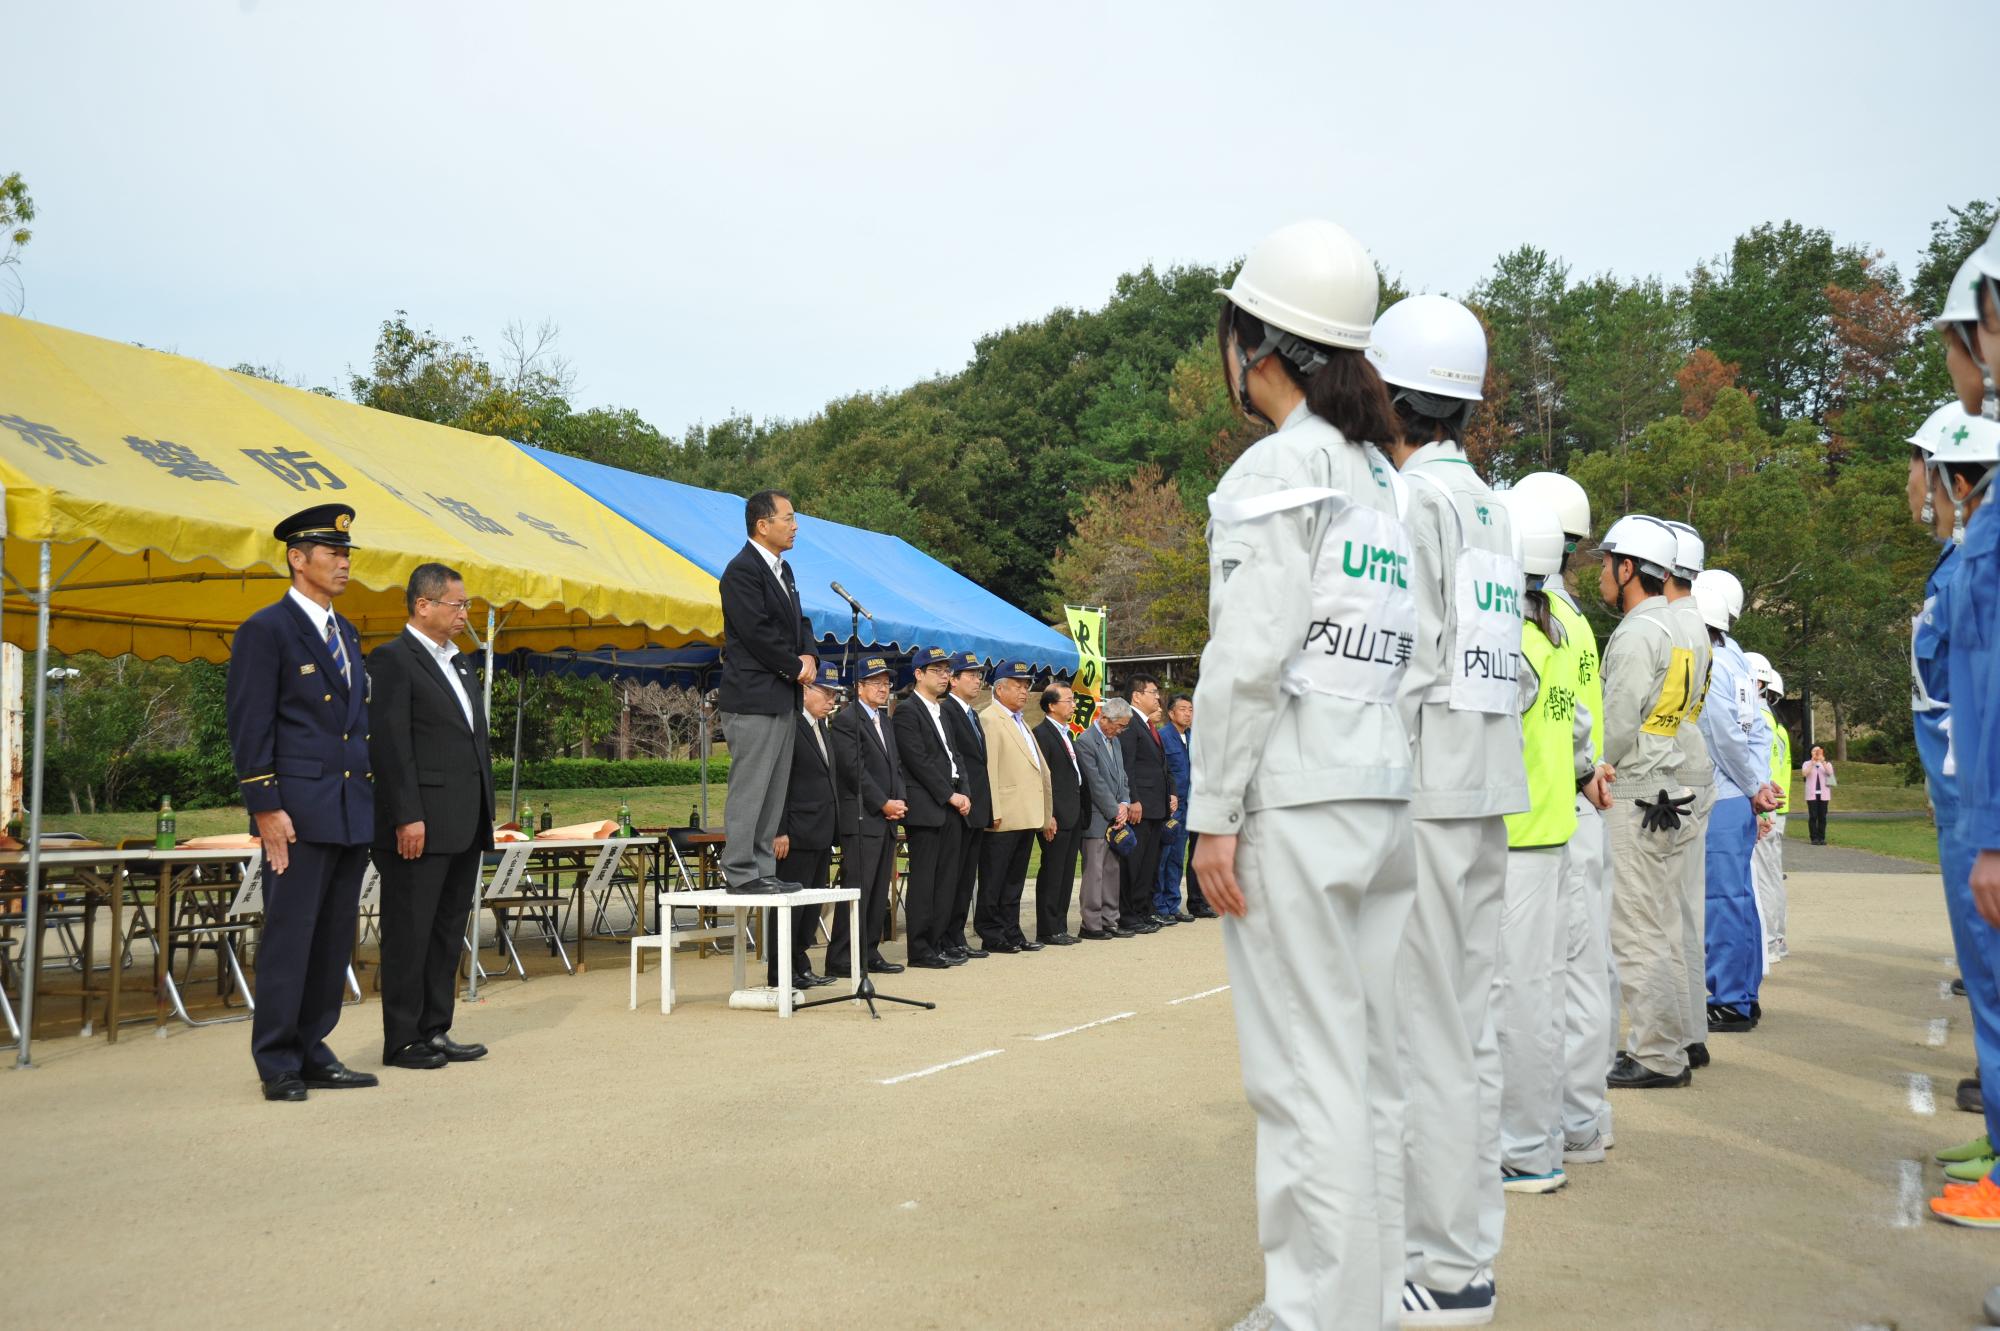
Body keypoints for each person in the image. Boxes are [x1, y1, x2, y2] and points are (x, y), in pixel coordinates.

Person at [1188, 219, 1423, 1329]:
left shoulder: (1278, 470)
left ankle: (1312, 1312)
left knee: (1297, 1074)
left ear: (1259, 344)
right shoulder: (1380, 481)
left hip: (1297, 798)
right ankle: (1365, 1300)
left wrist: (1211, 811)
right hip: (1380, 796)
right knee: (1368, 1068)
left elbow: (1243, 656)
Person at [1373, 293, 1527, 1303]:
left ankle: (1438, 1266)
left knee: (1412, 1037)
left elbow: (1397, 659)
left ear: (1388, 396)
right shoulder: (1491, 507)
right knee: (1463, 1031)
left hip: (1421, 788)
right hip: (1480, 785)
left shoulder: (1406, 504)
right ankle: (1461, 1252)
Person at [225, 503, 379, 1102]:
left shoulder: (347, 633)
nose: (343, 563)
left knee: (334, 936)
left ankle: (314, 1045)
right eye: (333, 553)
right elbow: (250, 724)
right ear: (297, 558)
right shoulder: (266, 630)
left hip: (347, 809)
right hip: (295, 812)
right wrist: (265, 807)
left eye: (346, 554)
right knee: (292, 934)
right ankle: (278, 1059)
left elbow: (354, 725)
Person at [1491, 496, 1601, 1196]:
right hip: (1554, 832)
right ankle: (1551, 1132)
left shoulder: (1510, 641)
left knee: (1516, 998)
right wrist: (1588, 771)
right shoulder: (1556, 629)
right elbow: (1581, 727)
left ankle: (1526, 1149)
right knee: (1547, 992)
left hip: (1516, 839)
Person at [1511, 471, 1617, 1163]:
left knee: (1536, 986)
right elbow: (1577, 719)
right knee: (1577, 975)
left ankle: (1547, 1130)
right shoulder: (1568, 617)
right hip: (1575, 806)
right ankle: (1578, 1120)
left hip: (1538, 817)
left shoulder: (1528, 622)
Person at [365, 562, 493, 1071]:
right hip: (419, 822)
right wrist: (406, 815)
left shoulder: (459, 662)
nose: (465, 613)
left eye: (466, 605)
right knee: (410, 932)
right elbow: (392, 745)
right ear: (424, 605)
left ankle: (435, 1029)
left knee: (446, 932)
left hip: (462, 817)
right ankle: (402, 1039)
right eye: (457, 604)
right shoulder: (394, 659)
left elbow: (469, 739)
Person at [1596, 514, 1701, 1091]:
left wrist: (1587, 769)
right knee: (1660, 924)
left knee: (1636, 929)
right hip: (1670, 787)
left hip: (1636, 789)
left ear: (1628, 567)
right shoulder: (1687, 627)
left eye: (1607, 563)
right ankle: (1673, 1042)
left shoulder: (1638, 632)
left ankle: (1656, 1054)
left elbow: (1617, 719)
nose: (1602, 575)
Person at [1691, 569, 1780, 1034]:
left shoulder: (1708, 659)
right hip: (1740, 796)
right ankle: (1744, 993)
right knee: (1740, 898)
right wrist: (1759, 783)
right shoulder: (1741, 660)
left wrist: (1750, 786)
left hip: (1723, 793)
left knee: (1723, 899)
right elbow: (1759, 729)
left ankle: (1728, 999)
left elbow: (1719, 734)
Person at [717, 490, 818, 894]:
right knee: (752, 786)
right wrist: (795, 667)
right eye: (789, 518)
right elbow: (756, 632)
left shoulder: (784, 570)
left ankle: (761, 870)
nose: (795, 526)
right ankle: (740, 871)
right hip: (753, 698)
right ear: (763, 524)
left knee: (774, 789)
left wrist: (809, 654)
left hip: (782, 697)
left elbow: (799, 622)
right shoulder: (742, 571)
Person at [1657, 521, 1718, 1069]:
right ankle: (1691, 1026)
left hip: (1673, 763)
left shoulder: (1670, 623)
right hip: (1693, 759)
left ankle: (1678, 1031)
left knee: (1668, 910)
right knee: (1685, 908)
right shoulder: (1696, 621)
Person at [826, 655, 906, 977]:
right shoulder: (847, 720)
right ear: (859, 686)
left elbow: (894, 766)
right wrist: (882, 802)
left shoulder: (885, 720)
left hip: (886, 819)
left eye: (886, 683)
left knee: (877, 893)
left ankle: (869, 951)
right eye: (876, 683)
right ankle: (843, 957)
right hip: (862, 818)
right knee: (857, 890)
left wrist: (899, 799)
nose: (883, 689)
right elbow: (853, 771)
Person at [892, 647, 971, 970]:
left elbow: (956, 756)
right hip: (927, 805)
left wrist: (963, 791)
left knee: (947, 879)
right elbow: (917, 761)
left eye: (945, 670)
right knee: (925, 880)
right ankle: (920, 947)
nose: (943, 676)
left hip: (952, 803)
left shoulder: (943, 711)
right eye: (935, 670)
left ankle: (938, 941)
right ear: (918, 674)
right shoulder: (909, 711)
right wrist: (948, 795)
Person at [767, 663, 845, 990]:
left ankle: (801, 964)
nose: (831, 700)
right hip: (795, 831)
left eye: (835, 694)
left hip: (820, 831)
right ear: (805, 690)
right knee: (790, 905)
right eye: (826, 692)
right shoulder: (790, 725)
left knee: (811, 905)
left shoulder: (822, 728)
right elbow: (778, 779)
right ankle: (780, 970)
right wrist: (779, 828)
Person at [976, 661, 1056, 952]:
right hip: (1005, 814)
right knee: (995, 878)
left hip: (1026, 812)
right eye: (1019, 685)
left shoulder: (1019, 719)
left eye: (1027, 685)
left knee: (1014, 880)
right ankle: (992, 932)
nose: (1025, 691)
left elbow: (1038, 768)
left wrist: (1046, 812)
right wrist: (993, 810)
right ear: (1000, 688)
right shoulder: (990, 718)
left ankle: (1012, 931)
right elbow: (990, 769)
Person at [942, 651, 997, 958]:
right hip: (959, 806)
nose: (978, 680)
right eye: (971, 675)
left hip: (977, 806)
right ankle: (948, 936)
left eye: (980, 675)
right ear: (953, 679)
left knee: (966, 878)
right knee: (954, 876)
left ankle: (958, 935)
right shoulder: (947, 710)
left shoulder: (972, 713)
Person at [1031, 682, 1089, 945]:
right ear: (1052, 705)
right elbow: (1042, 779)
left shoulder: (1067, 733)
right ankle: (1047, 928)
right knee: (1053, 872)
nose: (1073, 704)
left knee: (1066, 873)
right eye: (1068, 700)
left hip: (1074, 813)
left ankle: (1060, 925)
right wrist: (1048, 815)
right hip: (1056, 815)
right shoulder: (1042, 734)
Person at [1743, 651, 1791, 967]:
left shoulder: (1760, 719)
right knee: (1769, 875)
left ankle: (1771, 939)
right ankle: (1776, 937)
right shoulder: (1775, 722)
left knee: (1764, 877)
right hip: (1774, 808)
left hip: (1766, 807)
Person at [1073, 697, 1133, 942]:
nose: (1122, 731)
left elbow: (1122, 777)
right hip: (1097, 818)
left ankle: (1110, 919)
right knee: (1094, 872)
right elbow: (1095, 783)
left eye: (1125, 726)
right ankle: (1091, 923)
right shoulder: (1086, 741)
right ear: (1104, 718)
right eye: (1120, 725)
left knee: (1111, 871)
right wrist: (1114, 809)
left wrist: (1125, 804)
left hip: (1115, 816)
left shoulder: (1115, 742)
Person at [1117, 674, 1172, 932]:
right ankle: (1129, 914)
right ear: (1137, 696)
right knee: (1134, 863)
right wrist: (1133, 800)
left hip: (1156, 806)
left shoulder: (1150, 726)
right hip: (1140, 807)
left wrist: (1169, 793)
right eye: (1152, 692)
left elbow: (1160, 766)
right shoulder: (1130, 725)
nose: (1157, 697)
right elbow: (1127, 767)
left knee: (1150, 863)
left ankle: (1144, 909)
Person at [1154, 694, 1199, 922]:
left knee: (1177, 857)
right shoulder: (1163, 736)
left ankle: (1173, 904)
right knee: (1164, 855)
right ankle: (1159, 905)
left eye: (1190, 709)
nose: (1188, 713)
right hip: (1171, 806)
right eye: (1183, 709)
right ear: (1171, 713)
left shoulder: (1192, 737)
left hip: (1189, 805)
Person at [1801, 747, 1835, 845]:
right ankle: (1814, 838)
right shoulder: (1806, 764)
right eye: (1814, 751)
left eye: (1818, 751)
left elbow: (1830, 773)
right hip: (1811, 794)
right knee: (1813, 816)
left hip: (1824, 794)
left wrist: (1823, 762)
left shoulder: (1827, 763)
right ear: (1811, 753)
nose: (1816, 753)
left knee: (1822, 816)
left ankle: (1822, 837)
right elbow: (1804, 773)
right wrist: (1812, 762)